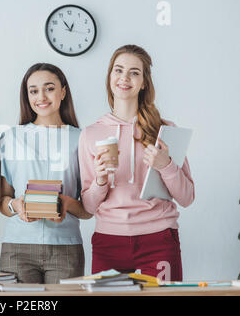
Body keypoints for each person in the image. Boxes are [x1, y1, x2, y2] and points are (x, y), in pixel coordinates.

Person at [79, 44, 195, 281]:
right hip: (108, 241)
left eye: (134, 72)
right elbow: (89, 208)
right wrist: (100, 181)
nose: (124, 78)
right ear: (110, 77)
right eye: (118, 70)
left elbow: (187, 197)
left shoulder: (165, 130)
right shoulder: (91, 134)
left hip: (160, 238)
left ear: (144, 82)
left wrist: (166, 165)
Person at [0, 63, 93, 284]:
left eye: (49, 88)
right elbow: (3, 202)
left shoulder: (81, 138)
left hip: (66, 248)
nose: (41, 96)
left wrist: (66, 203)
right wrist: (17, 205)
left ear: (63, 92)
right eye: (33, 91)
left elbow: (88, 210)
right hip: (17, 248)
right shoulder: (10, 138)